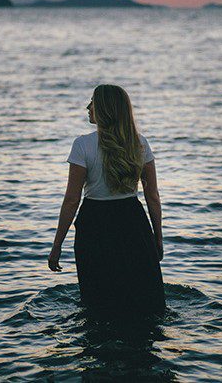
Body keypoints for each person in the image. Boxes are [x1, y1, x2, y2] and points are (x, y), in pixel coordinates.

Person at [48, 84, 166, 319]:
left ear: (104, 109)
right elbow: (152, 195)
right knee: (142, 295)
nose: (88, 107)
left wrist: (57, 245)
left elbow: (72, 200)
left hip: (95, 222)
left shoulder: (83, 145)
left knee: (97, 297)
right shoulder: (140, 143)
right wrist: (157, 238)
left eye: (92, 102)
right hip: (132, 221)